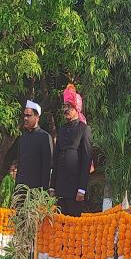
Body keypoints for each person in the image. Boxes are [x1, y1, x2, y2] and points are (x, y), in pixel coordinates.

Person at [50, 84, 92, 217]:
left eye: (69, 106)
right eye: (64, 106)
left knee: (73, 226)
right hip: (60, 186)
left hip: (75, 188)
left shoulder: (84, 129)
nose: (65, 109)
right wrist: (52, 186)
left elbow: (86, 160)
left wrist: (82, 188)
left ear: (76, 108)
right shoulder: (62, 129)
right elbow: (55, 158)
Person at [16, 100, 53, 190]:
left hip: (37, 190)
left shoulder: (45, 137)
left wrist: (44, 191)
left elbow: (47, 167)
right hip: (21, 188)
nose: (25, 118)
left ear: (37, 117)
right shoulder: (23, 138)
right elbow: (20, 165)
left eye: (28, 115)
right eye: (24, 115)